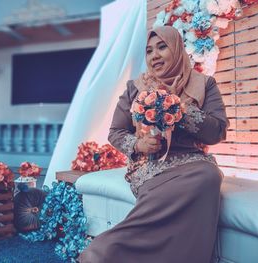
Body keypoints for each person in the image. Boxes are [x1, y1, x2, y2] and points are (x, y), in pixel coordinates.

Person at [79, 25, 229, 263]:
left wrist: (181, 109)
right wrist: (139, 145)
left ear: (177, 49)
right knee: (189, 181)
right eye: (149, 51)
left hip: (193, 163)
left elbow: (218, 132)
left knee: (209, 175)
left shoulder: (204, 84)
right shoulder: (136, 88)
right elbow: (115, 132)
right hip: (150, 166)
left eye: (162, 47)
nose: (154, 55)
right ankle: (106, 251)